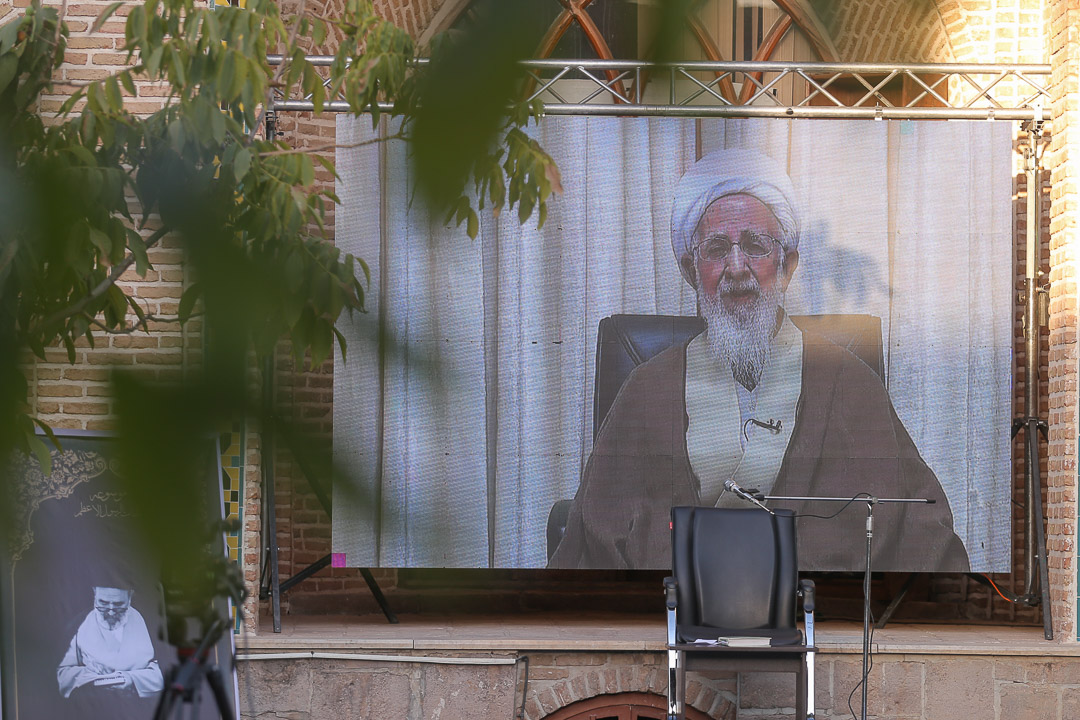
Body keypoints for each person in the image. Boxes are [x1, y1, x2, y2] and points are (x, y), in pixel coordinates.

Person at [549, 147, 970, 572]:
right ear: (692, 270)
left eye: (755, 246)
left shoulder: (850, 384)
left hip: (813, 608)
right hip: (678, 606)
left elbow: (922, 532)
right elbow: (594, 539)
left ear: (786, 267)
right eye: (716, 249)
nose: (736, 267)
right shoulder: (647, 390)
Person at [57, 585, 164, 704]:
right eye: (103, 603)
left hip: (137, 705)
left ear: (130, 596)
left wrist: (130, 679)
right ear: (95, 593)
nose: (111, 612)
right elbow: (63, 675)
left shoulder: (151, 624)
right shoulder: (78, 625)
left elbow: (164, 672)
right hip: (91, 704)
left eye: (118, 605)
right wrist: (92, 676)